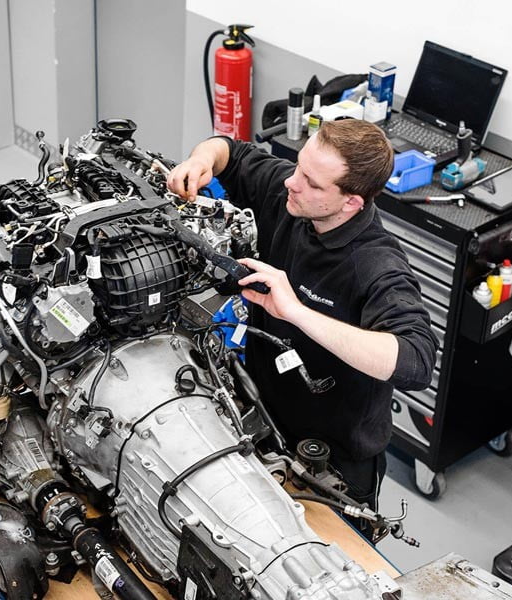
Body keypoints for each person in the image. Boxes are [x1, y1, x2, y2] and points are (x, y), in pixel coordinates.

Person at [167, 120, 437, 520]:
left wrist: (296, 311)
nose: (291, 182)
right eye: (298, 167)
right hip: (262, 418)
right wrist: (200, 160)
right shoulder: (294, 196)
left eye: (311, 182)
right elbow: (231, 152)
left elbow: (416, 360)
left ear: (351, 203)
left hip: (330, 461)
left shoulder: (375, 265)